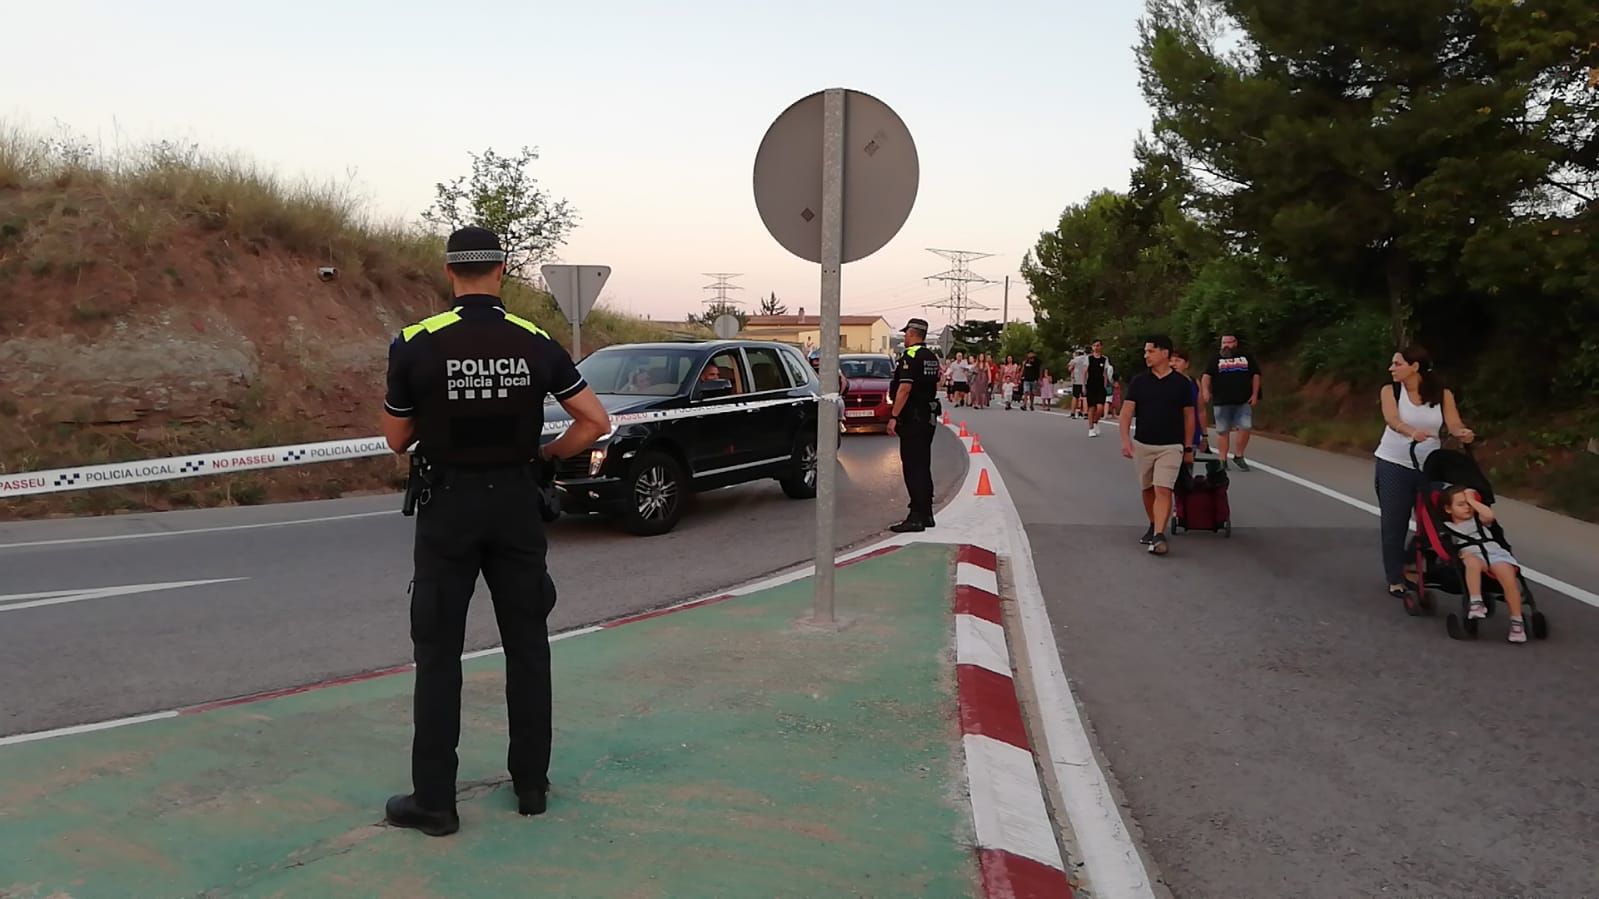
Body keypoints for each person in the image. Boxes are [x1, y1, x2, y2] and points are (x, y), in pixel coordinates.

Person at [379, 226, 612, 837]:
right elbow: (594, 421)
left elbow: (397, 438)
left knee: (438, 657)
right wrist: (547, 456)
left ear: (449, 272)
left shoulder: (415, 343)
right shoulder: (534, 341)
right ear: (501, 271)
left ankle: (435, 802)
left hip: (448, 508)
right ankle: (531, 786)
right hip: (516, 504)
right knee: (528, 648)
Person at [1373, 344, 1474, 600]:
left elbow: (1452, 422)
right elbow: (1392, 419)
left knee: (1439, 518)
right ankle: (1395, 578)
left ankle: (1411, 561)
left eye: (1397, 364)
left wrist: (1462, 432)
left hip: (1430, 466)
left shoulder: (1441, 394)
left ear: (1414, 367)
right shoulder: (1391, 390)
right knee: (1394, 522)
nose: (1391, 369)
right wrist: (1411, 432)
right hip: (1394, 463)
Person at [1118, 335, 1195, 556]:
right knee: (1147, 488)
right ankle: (1153, 524)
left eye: (1150, 351)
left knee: (1164, 488)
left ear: (1164, 353)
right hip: (1143, 443)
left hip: (1172, 445)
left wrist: (1188, 447)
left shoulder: (1181, 383)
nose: (1146, 356)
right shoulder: (1139, 382)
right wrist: (1125, 441)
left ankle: (1160, 535)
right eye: (1145, 352)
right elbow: (1126, 413)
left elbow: (1190, 416)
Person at [1440, 485, 1527, 643]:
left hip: (1494, 552)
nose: (1466, 508)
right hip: (1472, 553)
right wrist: (1458, 553)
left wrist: (1472, 500)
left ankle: (1517, 621)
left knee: (1510, 581)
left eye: (1468, 504)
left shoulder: (1479, 520)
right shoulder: (1448, 527)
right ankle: (1476, 602)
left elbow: (1489, 515)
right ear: (1448, 509)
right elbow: (1444, 547)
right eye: (1461, 504)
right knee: (1471, 563)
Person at [887, 317, 942, 532]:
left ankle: (916, 516)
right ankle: (927, 513)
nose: (905, 337)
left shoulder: (910, 355)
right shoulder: (932, 357)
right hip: (928, 417)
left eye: (906, 333)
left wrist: (893, 416)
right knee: (923, 465)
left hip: (914, 418)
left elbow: (904, 389)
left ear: (912, 333)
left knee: (913, 467)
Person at [1200, 333, 1261, 471]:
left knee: (1245, 426)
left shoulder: (1246, 357)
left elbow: (1256, 375)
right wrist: (1205, 390)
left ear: (1235, 343)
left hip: (1243, 400)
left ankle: (1239, 455)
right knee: (1222, 430)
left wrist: (1255, 394)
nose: (1226, 345)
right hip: (1221, 400)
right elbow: (1206, 376)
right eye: (1223, 343)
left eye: (1229, 342)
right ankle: (1222, 459)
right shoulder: (1215, 358)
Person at [1170, 349, 1210, 459]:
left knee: (1187, 468)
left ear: (1186, 364)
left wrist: (1204, 435)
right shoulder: (1164, 383)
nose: (1173, 364)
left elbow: (1201, 410)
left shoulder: (1194, 383)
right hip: (1170, 433)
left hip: (1191, 432)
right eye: (1170, 360)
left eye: (1177, 360)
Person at [1085, 341, 1110, 436]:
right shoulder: (1089, 358)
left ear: (1101, 347)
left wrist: (1106, 384)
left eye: (1098, 345)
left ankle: (1096, 421)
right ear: (1092, 347)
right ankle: (1091, 428)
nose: (1096, 347)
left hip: (1100, 386)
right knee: (1091, 407)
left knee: (1100, 407)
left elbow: (1105, 373)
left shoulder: (1104, 359)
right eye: (1094, 345)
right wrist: (1084, 385)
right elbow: (1085, 372)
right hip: (1091, 385)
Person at [1068, 349, 1089, 418]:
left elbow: (1069, 368)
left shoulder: (1076, 359)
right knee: (1085, 397)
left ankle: (1073, 413)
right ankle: (1086, 413)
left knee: (1075, 396)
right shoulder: (1088, 358)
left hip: (1077, 380)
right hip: (1086, 381)